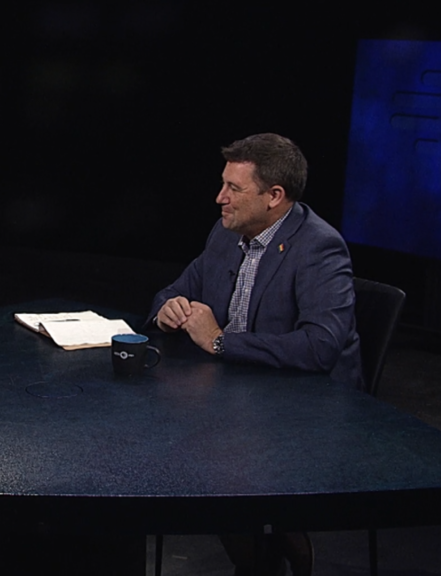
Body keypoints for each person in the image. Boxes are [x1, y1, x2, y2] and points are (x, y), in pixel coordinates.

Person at [147, 133, 362, 576]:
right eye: (223, 184)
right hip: (241, 393)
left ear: (274, 197)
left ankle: (269, 555)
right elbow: (173, 291)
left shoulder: (319, 248)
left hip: (307, 407)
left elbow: (321, 347)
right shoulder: (227, 233)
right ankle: (272, 551)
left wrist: (221, 341)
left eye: (234, 189)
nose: (219, 198)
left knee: (218, 462)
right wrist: (168, 310)